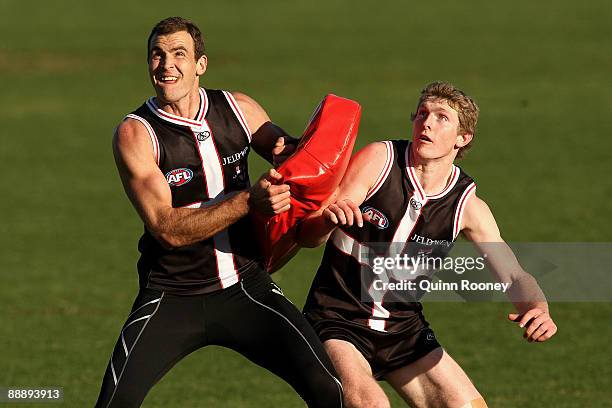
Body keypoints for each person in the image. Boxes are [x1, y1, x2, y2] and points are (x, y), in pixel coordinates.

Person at [95, 16, 342, 408]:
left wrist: (327, 164)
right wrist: (250, 201)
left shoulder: (238, 108)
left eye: (179, 54)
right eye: (157, 55)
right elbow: (167, 228)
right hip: (171, 297)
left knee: (330, 389)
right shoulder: (136, 134)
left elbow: (290, 156)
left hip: (246, 287)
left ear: (200, 65)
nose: (166, 65)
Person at [298, 82, 558, 408]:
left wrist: (537, 308)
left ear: (463, 139)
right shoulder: (380, 160)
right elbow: (308, 237)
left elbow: (515, 276)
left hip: (403, 331)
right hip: (336, 321)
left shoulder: (467, 206)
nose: (427, 123)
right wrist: (326, 220)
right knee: (370, 405)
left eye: (441, 117)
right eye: (422, 113)